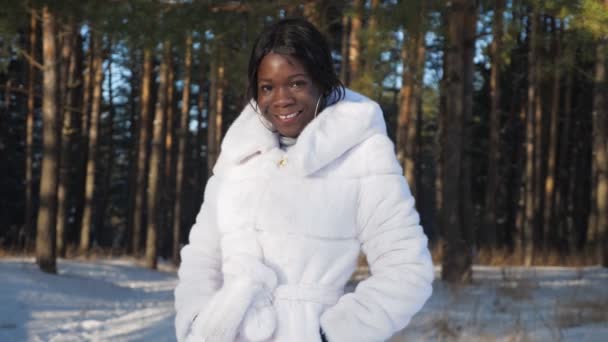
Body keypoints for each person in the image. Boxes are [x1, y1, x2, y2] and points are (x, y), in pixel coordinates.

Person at [174, 18, 434, 342]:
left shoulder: (361, 154)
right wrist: (198, 319)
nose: (281, 99)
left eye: (296, 83)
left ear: (321, 81)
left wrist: (331, 334)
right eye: (267, 87)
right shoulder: (238, 156)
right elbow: (202, 256)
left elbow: (409, 269)